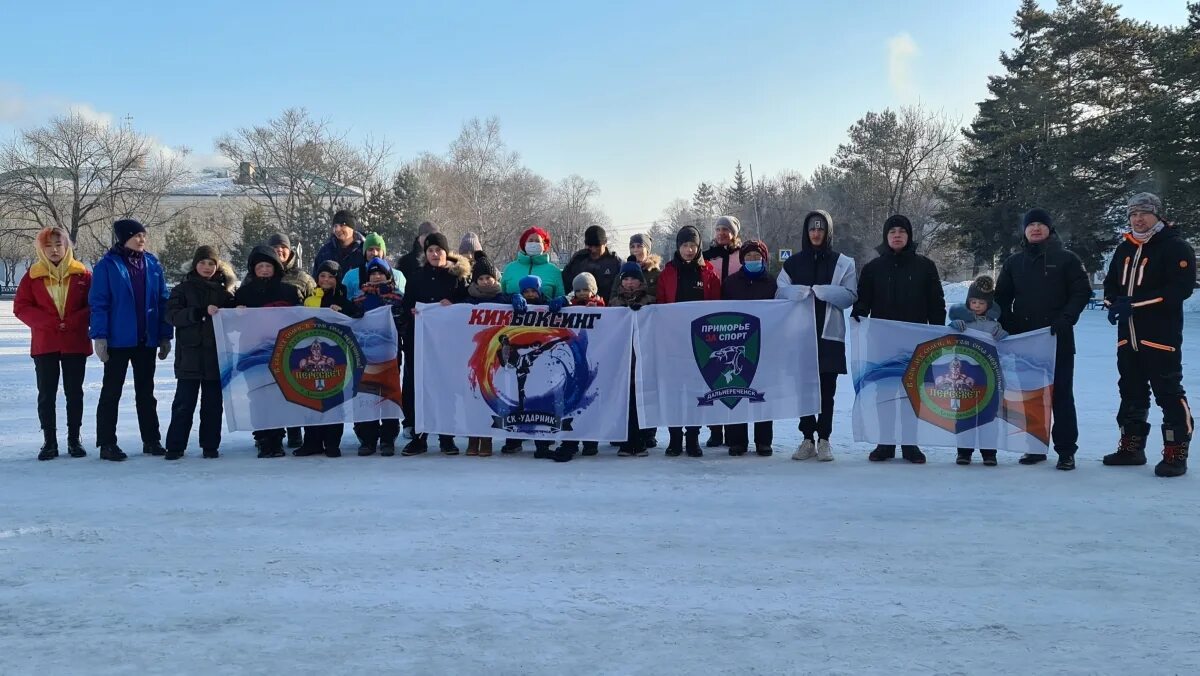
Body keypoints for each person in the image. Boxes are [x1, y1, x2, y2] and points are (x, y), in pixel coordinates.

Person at [1101, 193, 1196, 477]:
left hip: (1160, 337)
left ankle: (1175, 450)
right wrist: (1112, 303)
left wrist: (1133, 305)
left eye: (1144, 213)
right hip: (1127, 338)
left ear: (1157, 215)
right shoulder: (1124, 249)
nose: (1138, 219)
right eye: (1133, 214)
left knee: (1168, 393)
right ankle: (1132, 447)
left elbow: (1179, 290)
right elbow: (1110, 286)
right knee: (1131, 391)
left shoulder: (1174, 247)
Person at [994, 208, 1091, 470]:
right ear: (1024, 230)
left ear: (1050, 229)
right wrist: (1009, 324)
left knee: (1061, 395)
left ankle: (1066, 450)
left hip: (1057, 338)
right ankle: (1034, 447)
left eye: (1041, 224)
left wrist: (1066, 318)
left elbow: (1082, 292)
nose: (1035, 228)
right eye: (1030, 225)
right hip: (1026, 340)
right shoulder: (1014, 262)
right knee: (1030, 395)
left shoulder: (1067, 259)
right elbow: (1001, 298)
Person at [851, 214, 944, 464]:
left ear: (909, 235)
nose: (897, 235)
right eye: (892, 232)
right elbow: (863, 300)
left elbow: (936, 304)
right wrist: (859, 311)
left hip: (917, 343)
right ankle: (886, 443)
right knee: (886, 392)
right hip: (883, 342)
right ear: (886, 236)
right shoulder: (873, 268)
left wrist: (936, 334)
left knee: (912, 392)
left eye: (902, 231)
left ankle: (910, 444)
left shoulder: (925, 266)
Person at [777, 210, 858, 462]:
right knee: (804, 390)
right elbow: (779, 293)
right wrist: (794, 292)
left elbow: (850, 296)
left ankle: (824, 439)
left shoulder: (843, 263)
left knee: (826, 391)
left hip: (829, 336)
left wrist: (825, 292)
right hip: (799, 337)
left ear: (828, 232)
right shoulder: (792, 264)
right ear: (806, 232)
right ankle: (807, 439)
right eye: (812, 229)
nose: (816, 233)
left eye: (821, 229)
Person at [89, 219, 173, 461]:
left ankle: (151, 439)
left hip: (146, 340)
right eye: (136, 235)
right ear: (123, 238)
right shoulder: (107, 265)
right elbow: (99, 303)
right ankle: (107, 443)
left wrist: (165, 334)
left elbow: (162, 301)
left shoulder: (153, 263)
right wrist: (100, 336)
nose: (141, 239)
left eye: (143, 235)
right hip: (117, 340)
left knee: (146, 392)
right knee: (111, 392)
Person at [14, 226, 93, 460]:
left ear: (67, 247)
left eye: (58, 245)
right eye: (48, 246)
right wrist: (49, 322)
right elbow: (21, 307)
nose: (54, 250)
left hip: (75, 341)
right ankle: (49, 442)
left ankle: (73, 440)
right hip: (45, 342)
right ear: (41, 249)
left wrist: (72, 322)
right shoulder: (32, 275)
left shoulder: (83, 274)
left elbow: (94, 305)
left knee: (74, 393)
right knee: (46, 394)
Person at [400, 232, 470, 456]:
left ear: (445, 253)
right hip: (419, 341)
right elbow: (405, 304)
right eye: (430, 250)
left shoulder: (455, 277)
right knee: (420, 389)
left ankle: (446, 437)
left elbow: (467, 305)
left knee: (445, 389)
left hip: (447, 345)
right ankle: (419, 437)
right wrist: (411, 312)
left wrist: (454, 304)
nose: (434, 254)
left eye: (438, 250)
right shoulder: (416, 277)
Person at [163, 246, 236, 460]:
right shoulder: (182, 289)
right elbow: (172, 316)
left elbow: (235, 322)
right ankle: (175, 446)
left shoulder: (225, 293)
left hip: (216, 357)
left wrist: (239, 311)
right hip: (190, 357)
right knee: (183, 404)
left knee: (212, 406)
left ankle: (210, 446)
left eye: (211, 263)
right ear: (195, 264)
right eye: (203, 263)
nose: (207, 267)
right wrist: (198, 313)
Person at [234, 245, 306, 458]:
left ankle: (278, 438)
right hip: (252, 352)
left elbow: (301, 318)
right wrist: (236, 313)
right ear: (253, 269)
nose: (264, 269)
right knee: (257, 395)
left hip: (282, 352)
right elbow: (232, 324)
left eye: (269, 265)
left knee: (279, 395)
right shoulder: (244, 293)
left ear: (276, 268)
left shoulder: (289, 291)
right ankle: (263, 438)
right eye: (260, 266)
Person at [658, 224, 721, 457]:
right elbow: (661, 305)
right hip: (674, 341)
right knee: (675, 391)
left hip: (700, 343)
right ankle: (675, 438)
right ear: (678, 247)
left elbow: (716, 307)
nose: (688, 250)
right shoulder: (668, 273)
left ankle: (693, 437)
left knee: (696, 391)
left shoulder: (709, 273)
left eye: (693, 245)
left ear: (699, 247)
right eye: (685, 245)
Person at [296, 260, 360, 458]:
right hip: (311, 353)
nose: (326, 280)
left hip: (335, 355)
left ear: (337, 279)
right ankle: (312, 441)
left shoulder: (342, 297)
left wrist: (342, 311)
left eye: (331, 276)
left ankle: (332, 442)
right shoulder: (310, 299)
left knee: (333, 398)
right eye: (322, 276)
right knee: (310, 397)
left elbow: (359, 314)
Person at [721, 240, 778, 457]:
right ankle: (737, 440)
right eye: (749, 256)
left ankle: (764, 441)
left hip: (764, 342)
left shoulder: (772, 283)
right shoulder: (731, 283)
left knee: (762, 392)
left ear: (763, 258)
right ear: (742, 259)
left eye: (757, 256)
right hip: (736, 344)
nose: (753, 260)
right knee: (736, 390)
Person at [262, 231, 315, 449]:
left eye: (282, 247)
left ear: (290, 249)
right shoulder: (263, 273)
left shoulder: (302, 278)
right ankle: (271, 433)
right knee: (272, 390)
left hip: (296, 340)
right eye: (275, 247)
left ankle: (295, 431)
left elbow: (315, 301)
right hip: (266, 341)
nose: (279, 250)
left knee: (295, 386)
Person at [947, 275, 1007, 466]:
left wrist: (1003, 335)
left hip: (988, 375)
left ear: (988, 304)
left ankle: (989, 452)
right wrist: (952, 326)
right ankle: (964, 451)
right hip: (966, 374)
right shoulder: (962, 324)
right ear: (968, 302)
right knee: (964, 413)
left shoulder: (993, 325)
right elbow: (947, 337)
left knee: (989, 414)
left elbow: (1006, 345)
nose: (977, 305)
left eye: (981, 302)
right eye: (973, 302)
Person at [352, 257, 406, 456]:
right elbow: (351, 321)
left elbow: (404, 322)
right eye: (373, 273)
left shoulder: (397, 297)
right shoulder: (359, 298)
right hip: (364, 357)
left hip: (390, 356)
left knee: (388, 395)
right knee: (366, 395)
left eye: (380, 273)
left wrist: (397, 317)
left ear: (388, 275)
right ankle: (367, 438)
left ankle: (388, 437)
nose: (376, 276)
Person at [550, 273, 606, 462]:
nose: (582, 293)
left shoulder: (601, 305)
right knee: (571, 401)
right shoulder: (569, 305)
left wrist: (597, 310)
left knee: (590, 400)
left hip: (593, 358)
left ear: (593, 290)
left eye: (586, 289)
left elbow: (609, 322)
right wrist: (560, 304)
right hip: (572, 358)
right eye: (579, 290)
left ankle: (591, 441)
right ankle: (570, 442)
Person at [461, 250, 511, 458]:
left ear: (495, 278)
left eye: (488, 277)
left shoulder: (503, 299)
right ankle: (473, 438)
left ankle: (487, 438)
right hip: (471, 356)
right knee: (472, 396)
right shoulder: (467, 299)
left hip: (494, 358)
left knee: (489, 395)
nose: (485, 282)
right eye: (480, 278)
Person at [702, 215, 743, 449]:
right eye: (718, 229)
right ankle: (715, 430)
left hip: (738, 322)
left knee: (734, 376)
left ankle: (733, 428)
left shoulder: (742, 254)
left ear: (734, 233)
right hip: (713, 321)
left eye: (726, 229)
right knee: (714, 375)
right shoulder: (707, 257)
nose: (721, 233)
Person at [395, 221, 438, 439]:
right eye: (426, 237)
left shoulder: (445, 267)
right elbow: (404, 295)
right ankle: (410, 420)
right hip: (414, 329)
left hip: (438, 334)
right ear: (419, 238)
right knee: (411, 376)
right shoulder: (407, 262)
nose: (429, 242)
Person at [610, 257, 656, 457]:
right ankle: (626, 442)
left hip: (643, 358)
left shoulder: (651, 302)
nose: (629, 282)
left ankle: (642, 440)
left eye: (633, 279)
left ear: (641, 281)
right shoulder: (613, 303)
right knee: (625, 402)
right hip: (622, 359)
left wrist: (643, 313)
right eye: (625, 279)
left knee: (641, 401)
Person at [560, 225, 621, 304]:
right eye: (590, 246)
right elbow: (566, 283)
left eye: (597, 246)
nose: (594, 250)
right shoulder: (578, 259)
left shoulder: (615, 262)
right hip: (580, 310)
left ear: (605, 243)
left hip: (607, 310)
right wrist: (565, 299)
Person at [501, 226, 564, 300]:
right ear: (524, 244)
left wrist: (562, 300)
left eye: (537, 241)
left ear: (544, 246)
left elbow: (560, 296)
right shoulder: (510, 269)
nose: (534, 243)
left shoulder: (554, 271)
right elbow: (502, 296)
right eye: (530, 240)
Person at [341, 232, 406, 299]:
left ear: (383, 253)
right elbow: (343, 300)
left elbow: (404, 299)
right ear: (365, 253)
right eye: (370, 249)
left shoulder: (398, 275)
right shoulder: (351, 276)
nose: (374, 253)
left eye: (378, 249)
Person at [311, 209, 365, 282]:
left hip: (357, 292)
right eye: (335, 226)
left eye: (342, 225)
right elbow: (316, 278)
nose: (337, 229)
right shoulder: (325, 252)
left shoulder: (364, 249)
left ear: (351, 227)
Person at [610, 232, 662, 301]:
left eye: (639, 246)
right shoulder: (623, 273)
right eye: (632, 247)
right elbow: (613, 299)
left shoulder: (656, 274)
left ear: (647, 250)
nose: (635, 250)